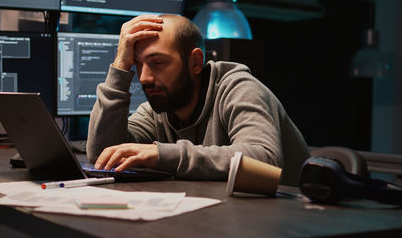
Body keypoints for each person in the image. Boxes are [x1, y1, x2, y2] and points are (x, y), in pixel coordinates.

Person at [87, 14, 310, 185]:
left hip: (293, 221)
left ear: (195, 62)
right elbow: (103, 156)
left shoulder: (239, 88)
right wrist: (119, 67)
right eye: (137, 64)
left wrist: (161, 154)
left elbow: (264, 160)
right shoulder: (157, 110)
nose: (143, 77)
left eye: (157, 63)